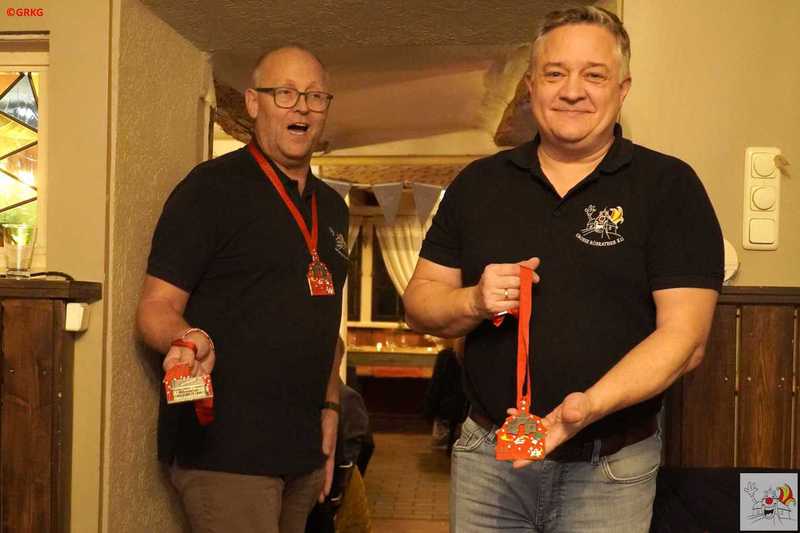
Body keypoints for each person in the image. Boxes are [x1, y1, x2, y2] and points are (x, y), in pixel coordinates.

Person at [402, 7, 723, 532]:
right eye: (555, 73)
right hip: (489, 460)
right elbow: (419, 302)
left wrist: (586, 409)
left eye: (593, 75)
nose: (572, 91)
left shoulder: (670, 187)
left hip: (611, 469)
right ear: (531, 87)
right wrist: (473, 300)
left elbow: (685, 339)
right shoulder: (477, 185)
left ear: (622, 89)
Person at [136, 45, 349, 533]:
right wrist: (189, 339)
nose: (301, 107)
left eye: (315, 96)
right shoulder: (210, 190)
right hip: (226, 451)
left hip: (302, 450)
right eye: (285, 93)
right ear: (253, 103)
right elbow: (154, 307)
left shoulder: (333, 208)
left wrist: (331, 406)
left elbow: (324, 327)